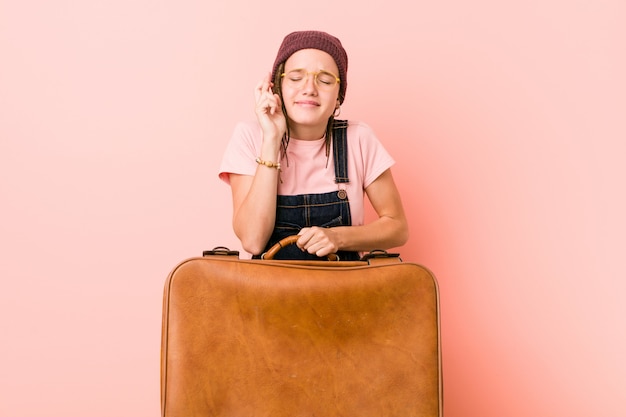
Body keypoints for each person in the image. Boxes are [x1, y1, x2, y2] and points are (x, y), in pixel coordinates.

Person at [219, 30, 408, 260]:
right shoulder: (250, 136)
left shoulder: (358, 138)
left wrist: (337, 237)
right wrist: (271, 139)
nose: (309, 88)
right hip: (268, 294)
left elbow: (398, 227)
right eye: (296, 78)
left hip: (347, 291)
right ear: (277, 87)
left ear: (339, 95)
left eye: (325, 80)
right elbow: (253, 240)